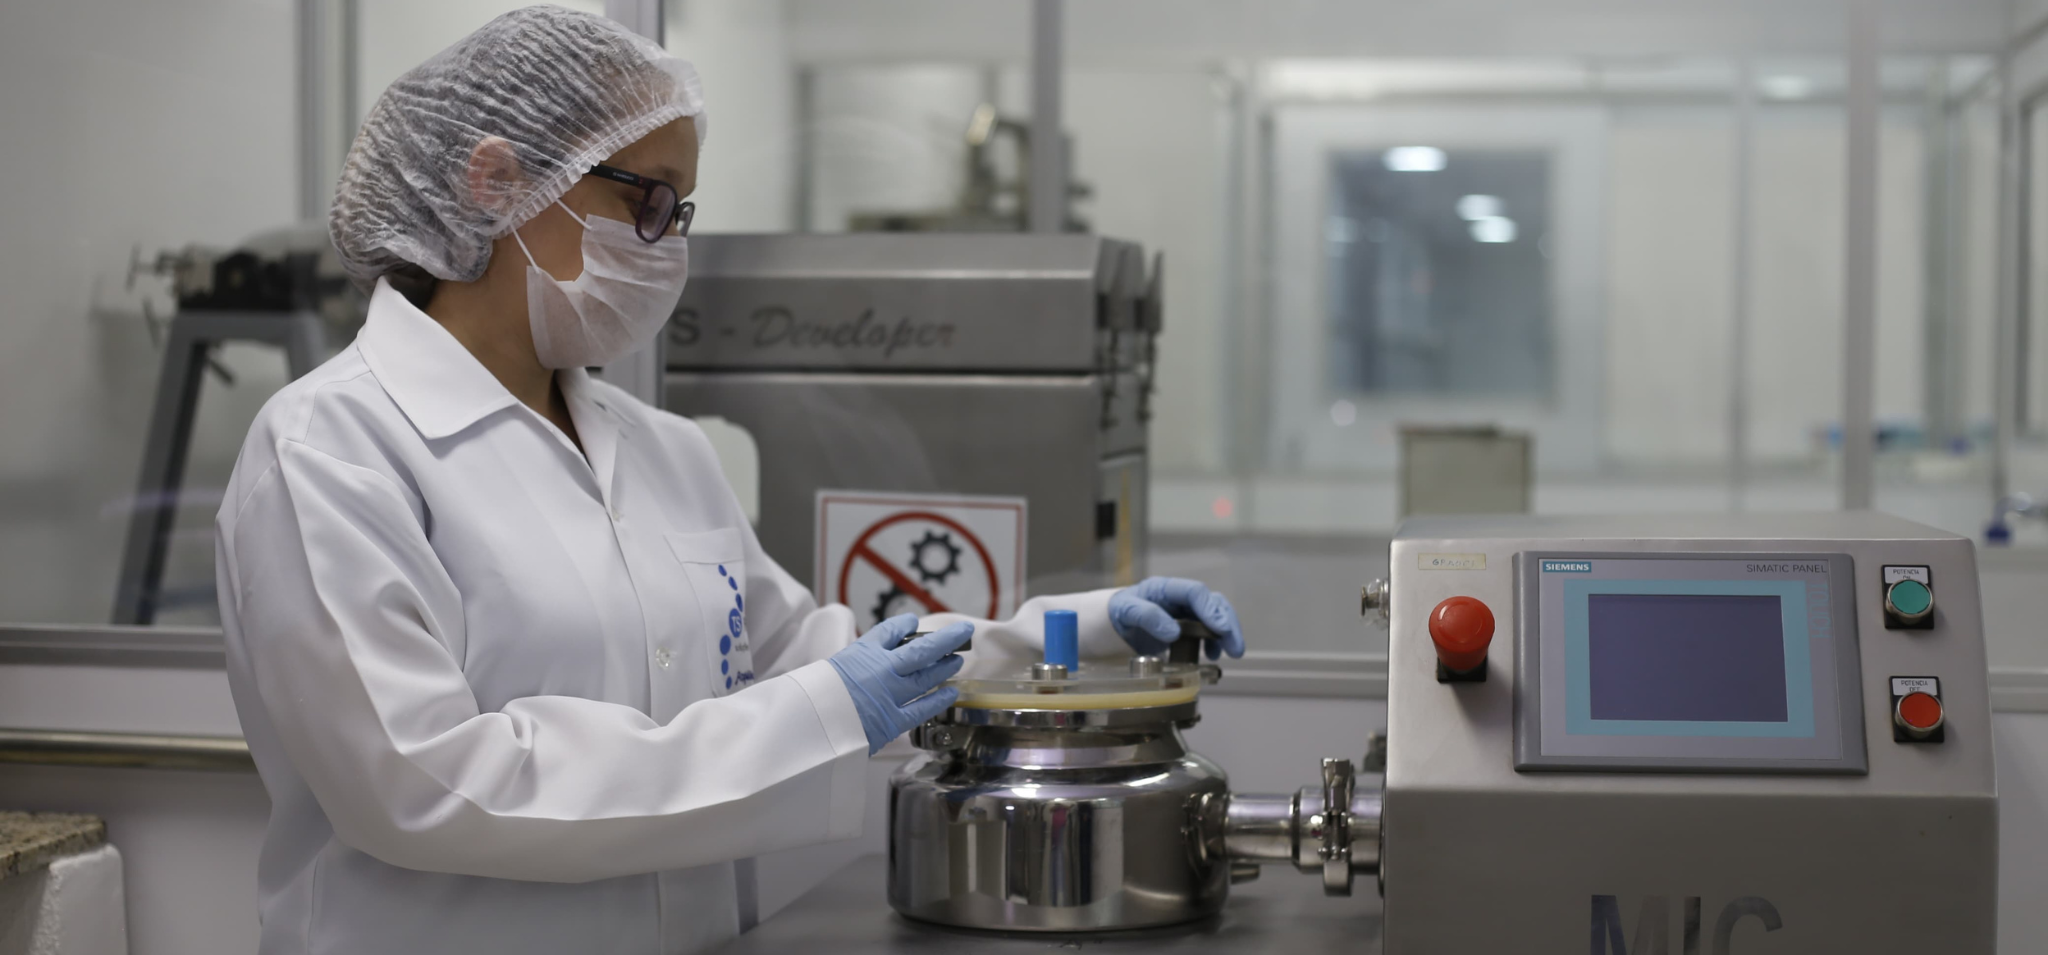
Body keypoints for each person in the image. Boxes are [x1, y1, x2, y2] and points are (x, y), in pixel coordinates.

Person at [212, 7, 1245, 955]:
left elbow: (814, 660)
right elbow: (425, 784)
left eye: (682, 212)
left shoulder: (660, 448)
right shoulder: (329, 451)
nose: (667, 246)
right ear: (494, 181)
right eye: (645, 201)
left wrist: (1075, 634)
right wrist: (822, 713)